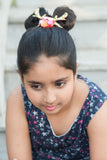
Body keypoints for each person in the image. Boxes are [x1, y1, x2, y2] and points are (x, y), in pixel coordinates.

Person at [6, 6, 107, 160]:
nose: (49, 98)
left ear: (75, 73)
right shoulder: (18, 101)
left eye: (59, 84)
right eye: (36, 86)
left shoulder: (95, 105)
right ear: (21, 78)